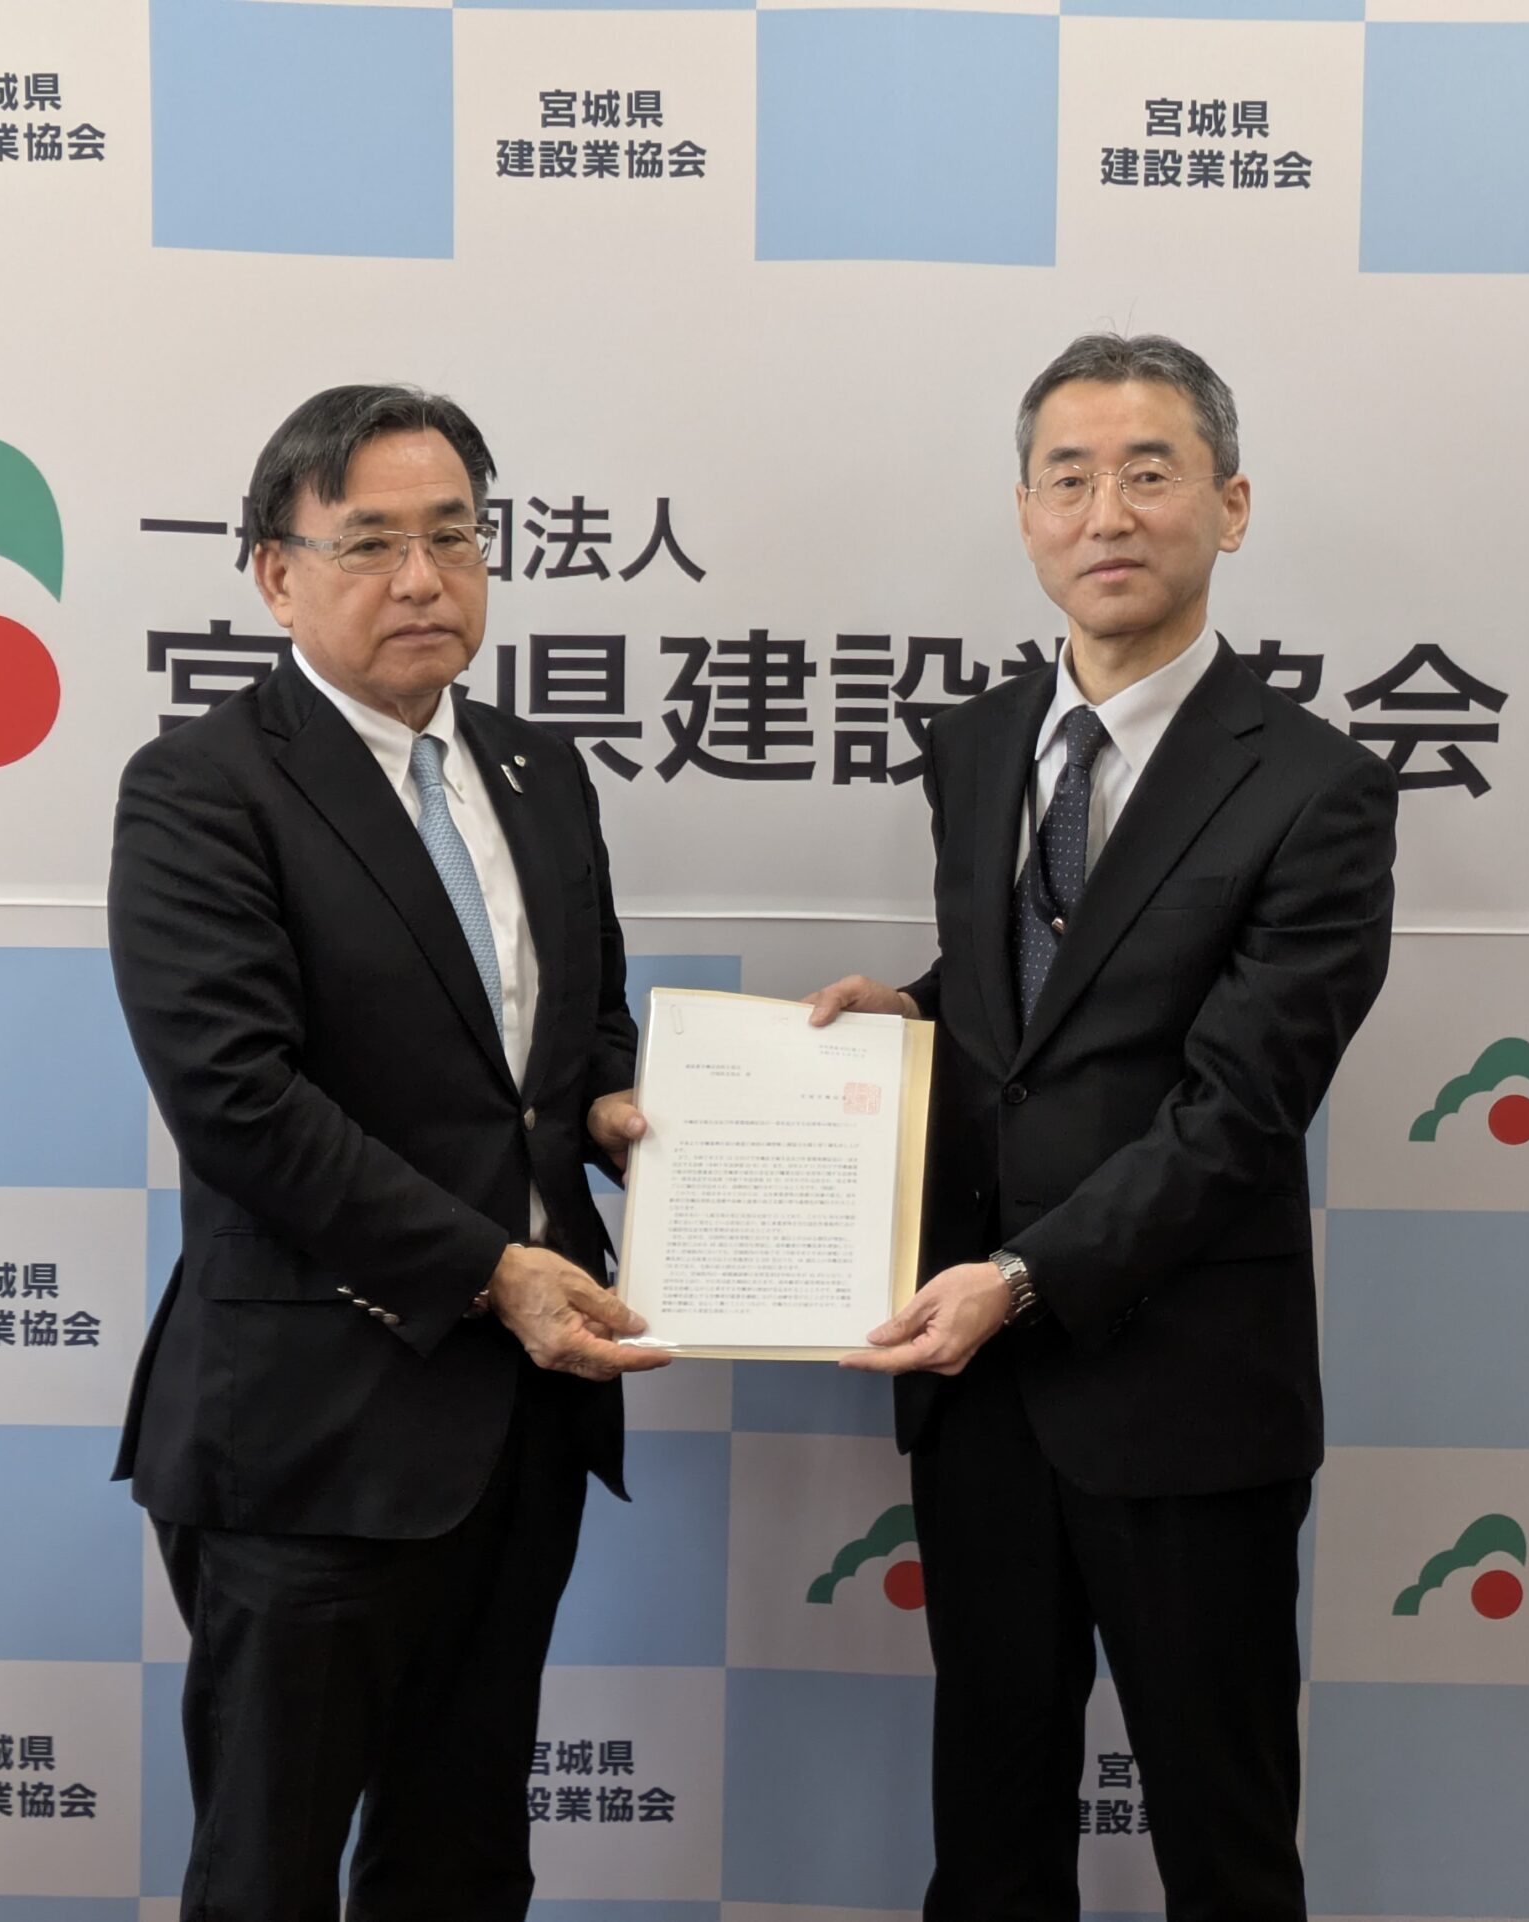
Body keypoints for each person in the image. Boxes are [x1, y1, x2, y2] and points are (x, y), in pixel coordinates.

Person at [810, 332, 1398, 1922]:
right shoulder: (979, 741)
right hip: (981, 1398)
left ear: (1231, 504)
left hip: (1181, 1394)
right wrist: (912, 1015)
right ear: (1025, 512)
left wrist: (1020, 1279)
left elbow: (1238, 1109)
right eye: (1068, 477)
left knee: (1224, 1846)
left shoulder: (1318, 789)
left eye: (1150, 472)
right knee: (992, 1840)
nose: (1108, 512)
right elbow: (1038, 998)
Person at [107, 383, 667, 1922]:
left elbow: (576, 1035)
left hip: (522, 1424)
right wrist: (493, 1269)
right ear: (275, 573)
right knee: (269, 1873)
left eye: (455, 537)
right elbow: (239, 1100)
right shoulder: (204, 788)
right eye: (371, 544)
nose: (424, 579)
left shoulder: (543, 772)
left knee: (463, 1861)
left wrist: (615, 1110)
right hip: (311, 1428)